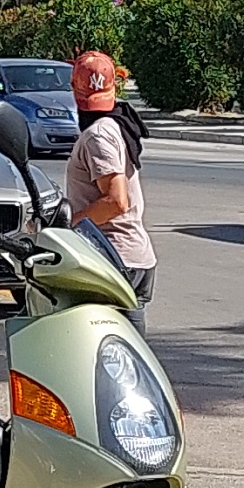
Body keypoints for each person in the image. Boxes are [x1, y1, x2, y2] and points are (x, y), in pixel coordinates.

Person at [66, 46, 157, 308]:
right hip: (128, 259)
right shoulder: (114, 125)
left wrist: (70, 226)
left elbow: (117, 201)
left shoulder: (98, 135)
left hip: (113, 261)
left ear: (75, 88)